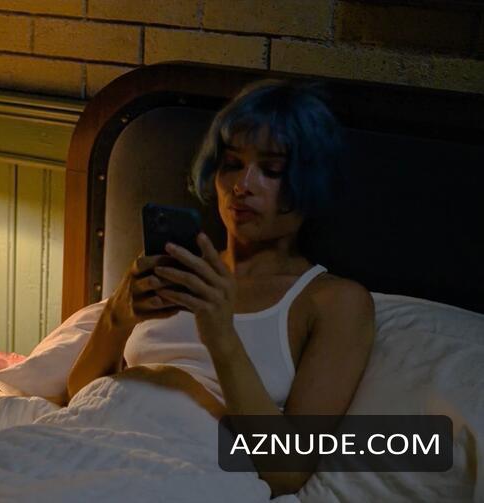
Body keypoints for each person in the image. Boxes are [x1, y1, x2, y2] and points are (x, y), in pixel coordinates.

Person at [65, 80, 375, 496]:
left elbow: (286, 471)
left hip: (183, 464)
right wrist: (117, 317)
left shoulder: (333, 302)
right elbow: (79, 395)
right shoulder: (177, 264)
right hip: (91, 434)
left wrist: (222, 337)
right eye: (231, 164)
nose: (243, 185)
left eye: (271, 170)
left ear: (310, 182)